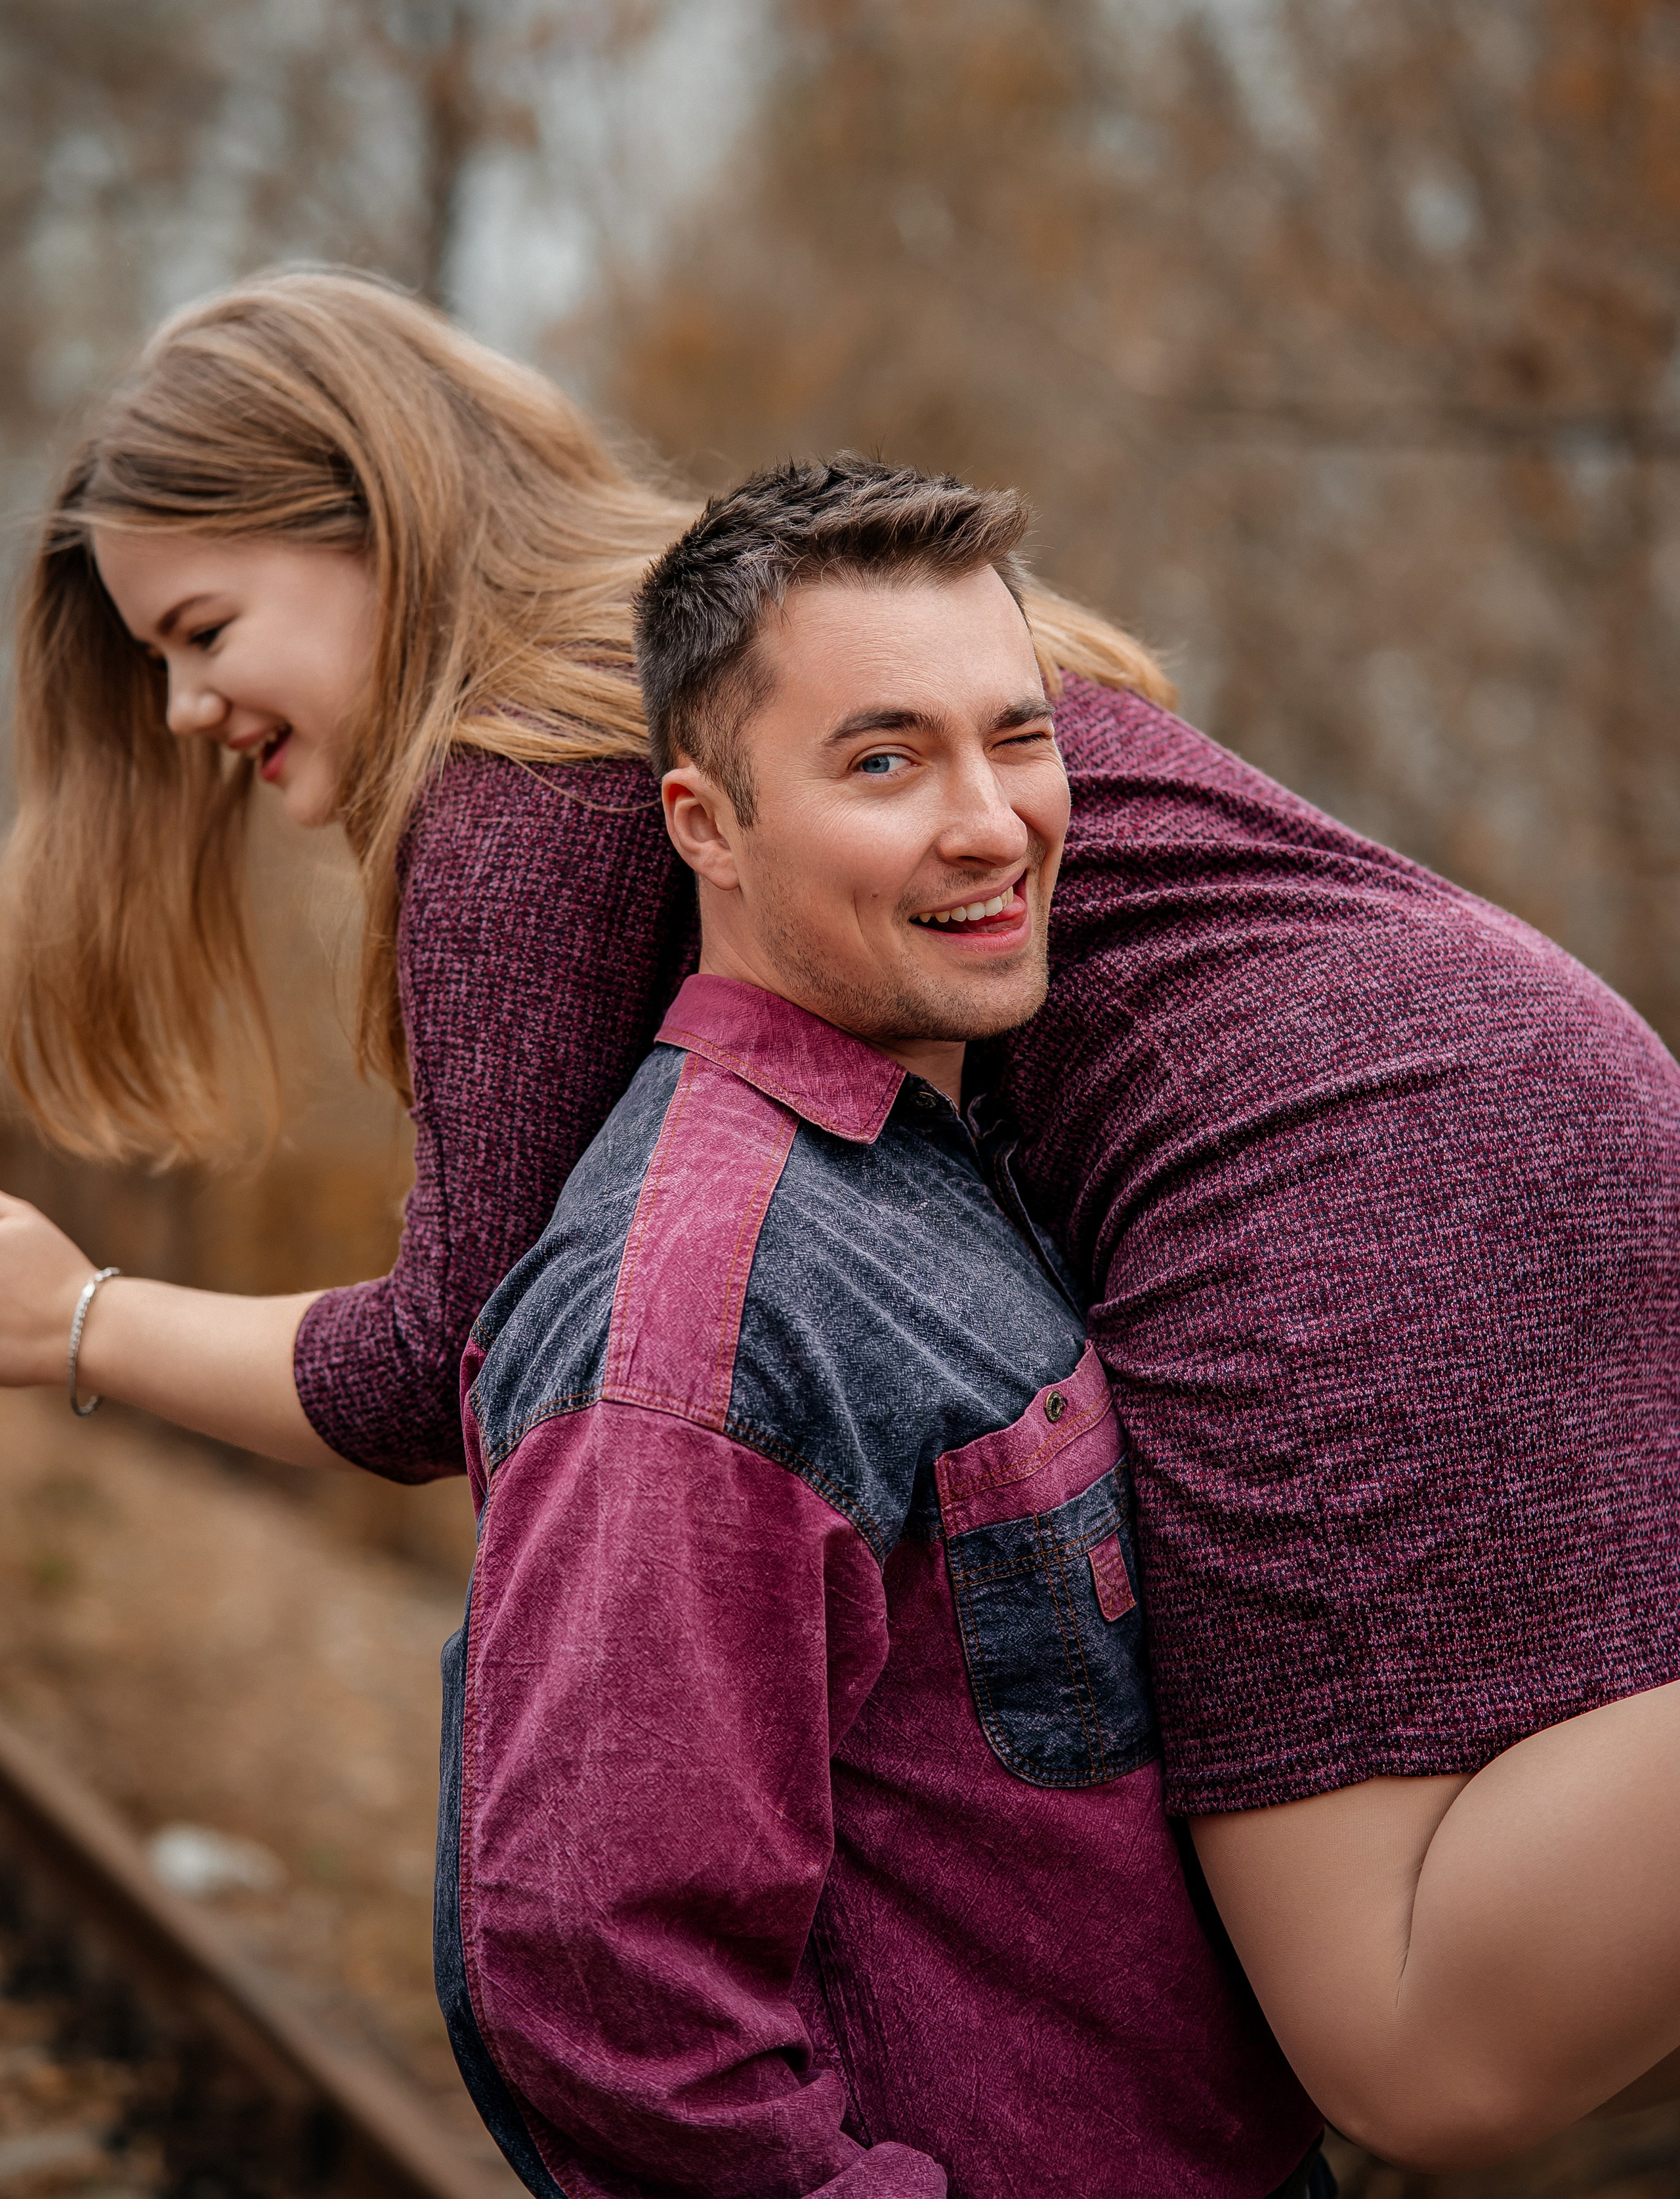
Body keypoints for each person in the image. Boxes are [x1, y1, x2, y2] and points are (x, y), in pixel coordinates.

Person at [1, 269, 1677, 2166]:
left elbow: (438, 1360)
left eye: (202, 626)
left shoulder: (528, 782)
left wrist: (73, 1318)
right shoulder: (728, 649)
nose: (182, 703)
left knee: (1405, 2036)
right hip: (1493, 1079)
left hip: (1333, 1166)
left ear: (361, 515)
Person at [438, 474, 1323, 2199]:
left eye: (1017, 738)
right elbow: (604, 1992)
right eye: (885, 759)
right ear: (704, 823)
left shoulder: (938, 1150)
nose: (995, 824)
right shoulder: (701, 1317)